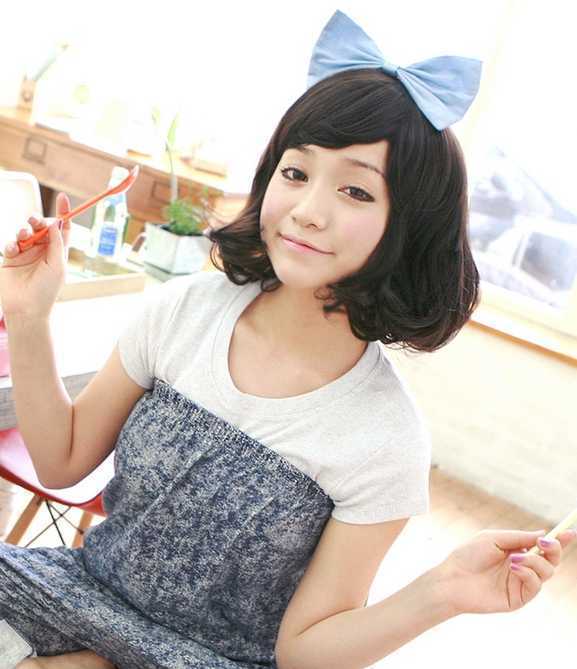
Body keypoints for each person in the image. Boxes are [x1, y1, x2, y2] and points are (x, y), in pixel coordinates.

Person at [0, 9, 575, 669]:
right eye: (296, 173)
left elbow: (304, 652)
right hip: (77, 598)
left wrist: (440, 591)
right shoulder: (186, 310)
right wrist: (30, 316)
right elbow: (62, 461)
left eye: (355, 190)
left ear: (408, 227)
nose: (307, 210)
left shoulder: (384, 439)